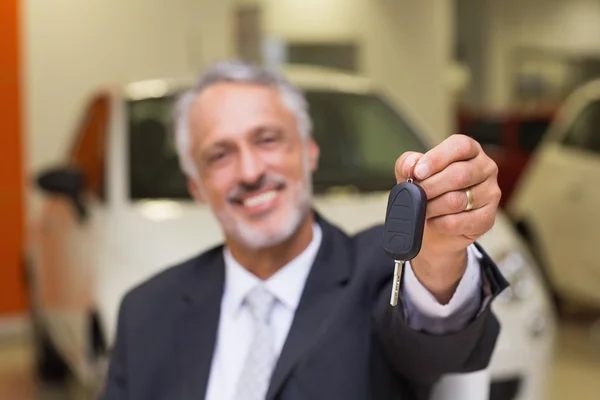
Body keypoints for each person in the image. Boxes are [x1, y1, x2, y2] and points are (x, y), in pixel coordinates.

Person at [99, 60, 507, 400]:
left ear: (309, 151)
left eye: (267, 139)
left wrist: (439, 253)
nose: (250, 171)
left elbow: (438, 348)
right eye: (220, 155)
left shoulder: (380, 273)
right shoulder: (145, 314)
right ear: (197, 186)